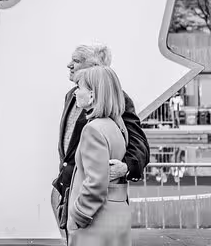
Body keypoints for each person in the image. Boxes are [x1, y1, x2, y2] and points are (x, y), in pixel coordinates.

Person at [52, 44, 149, 233]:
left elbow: (140, 144)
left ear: (95, 67)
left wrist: (126, 167)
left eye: (77, 61)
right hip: (65, 191)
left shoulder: (116, 98)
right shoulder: (71, 96)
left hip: (90, 200)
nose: (69, 65)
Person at [65, 66, 131, 245]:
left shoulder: (93, 129)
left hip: (96, 223)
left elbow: (95, 183)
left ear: (92, 95)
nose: (75, 93)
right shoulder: (117, 126)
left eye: (79, 87)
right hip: (117, 214)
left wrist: (78, 216)